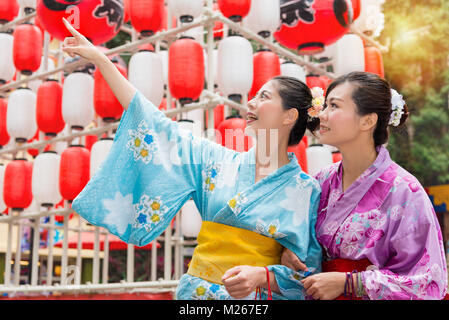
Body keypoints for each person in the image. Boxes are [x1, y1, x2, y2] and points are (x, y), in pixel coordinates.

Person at [61, 18, 323, 300]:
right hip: (196, 295)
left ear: (289, 116)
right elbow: (154, 123)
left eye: (264, 97)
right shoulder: (215, 161)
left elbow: (309, 275)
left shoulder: (306, 190)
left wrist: (264, 275)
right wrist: (102, 60)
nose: (251, 103)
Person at [281, 71, 448, 300]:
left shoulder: (405, 190)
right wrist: (291, 250)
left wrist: (350, 282)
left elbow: (428, 282)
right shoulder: (321, 180)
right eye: (325, 106)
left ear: (367, 121)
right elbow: (301, 240)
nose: (323, 115)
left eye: (334, 106)